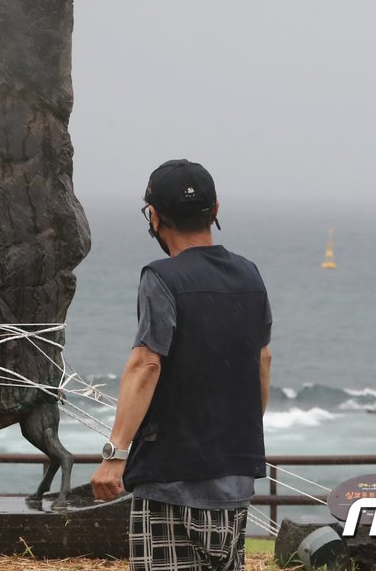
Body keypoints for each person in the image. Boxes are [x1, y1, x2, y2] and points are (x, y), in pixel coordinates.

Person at [91, 159, 272, 571]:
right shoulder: (250, 275)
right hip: (235, 479)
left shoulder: (162, 278)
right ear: (216, 210)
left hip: (170, 479)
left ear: (154, 217)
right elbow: (263, 358)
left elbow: (146, 364)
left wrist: (115, 454)